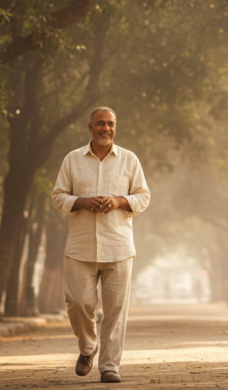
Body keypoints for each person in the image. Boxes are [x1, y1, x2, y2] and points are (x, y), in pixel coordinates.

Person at [51, 106, 151, 383]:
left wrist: (119, 201)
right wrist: (81, 202)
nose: (106, 128)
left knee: (116, 310)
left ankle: (109, 367)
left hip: (118, 246)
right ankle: (87, 347)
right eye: (100, 123)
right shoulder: (72, 160)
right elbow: (58, 196)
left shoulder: (129, 160)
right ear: (90, 127)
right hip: (80, 247)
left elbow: (143, 197)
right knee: (78, 302)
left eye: (110, 124)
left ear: (115, 128)